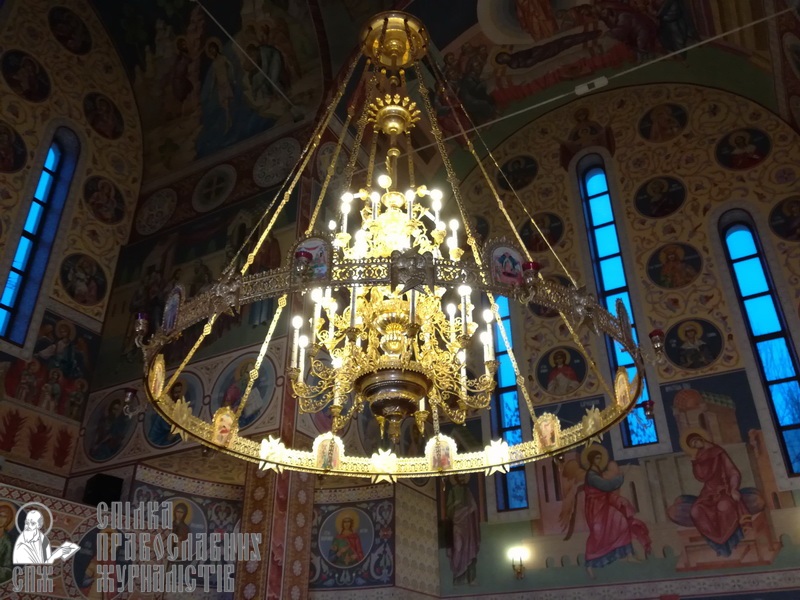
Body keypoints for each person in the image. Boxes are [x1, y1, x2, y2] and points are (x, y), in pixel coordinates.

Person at [668, 432, 757, 556]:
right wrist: (695, 463)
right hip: (708, 492)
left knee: (724, 507)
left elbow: (733, 472)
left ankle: (731, 543)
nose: (696, 445)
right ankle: (718, 545)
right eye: (693, 445)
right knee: (696, 511)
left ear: (701, 438)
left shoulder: (718, 452)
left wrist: (733, 489)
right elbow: (701, 477)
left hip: (724, 489)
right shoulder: (700, 456)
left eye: (696, 441)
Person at [581, 449, 651, 577]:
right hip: (595, 509)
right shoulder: (591, 475)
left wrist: (619, 499)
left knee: (622, 523)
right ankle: (589, 565)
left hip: (605, 506)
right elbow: (606, 486)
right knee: (597, 535)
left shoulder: (598, 472)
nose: (599, 461)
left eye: (600, 458)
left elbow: (606, 491)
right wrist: (620, 477)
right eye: (596, 458)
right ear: (591, 460)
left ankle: (629, 555)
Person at [446, 474, 480, 585]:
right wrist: (455, 505)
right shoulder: (452, 491)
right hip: (457, 524)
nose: (461, 479)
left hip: (467, 526)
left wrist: (467, 509)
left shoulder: (467, 491)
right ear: (455, 478)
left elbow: (473, 506)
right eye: (459, 477)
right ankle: (457, 574)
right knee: (458, 548)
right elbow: (448, 510)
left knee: (469, 549)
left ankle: (469, 577)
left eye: (463, 477)